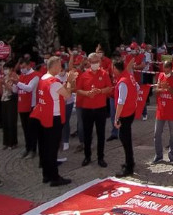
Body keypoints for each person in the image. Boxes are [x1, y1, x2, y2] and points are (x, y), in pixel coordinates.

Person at [31, 56, 76, 187]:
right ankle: (55, 177)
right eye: (59, 65)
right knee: (52, 148)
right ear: (54, 66)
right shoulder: (54, 82)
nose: (61, 67)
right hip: (53, 117)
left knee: (45, 147)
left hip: (44, 116)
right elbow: (67, 95)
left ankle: (46, 175)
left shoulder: (43, 79)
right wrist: (69, 81)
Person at [76, 53, 112, 168]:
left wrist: (100, 91)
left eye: (97, 62)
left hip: (100, 108)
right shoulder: (84, 75)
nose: (95, 64)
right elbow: (78, 90)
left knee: (101, 134)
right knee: (87, 134)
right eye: (93, 62)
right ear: (89, 62)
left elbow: (109, 88)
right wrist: (87, 93)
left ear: (99, 62)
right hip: (87, 109)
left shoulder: (104, 74)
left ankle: (100, 157)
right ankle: (87, 156)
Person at [112, 59, 139, 177]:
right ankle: (130, 161)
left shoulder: (123, 81)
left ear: (115, 69)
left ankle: (129, 167)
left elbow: (121, 102)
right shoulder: (129, 76)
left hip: (125, 114)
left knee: (125, 140)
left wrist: (116, 118)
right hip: (130, 111)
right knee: (126, 139)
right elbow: (137, 88)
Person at [153, 61, 173, 164]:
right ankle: (158, 155)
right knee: (157, 133)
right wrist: (161, 89)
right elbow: (156, 90)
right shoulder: (160, 76)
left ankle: (171, 155)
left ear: (171, 68)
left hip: (171, 109)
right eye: (164, 68)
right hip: (161, 109)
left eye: (166, 68)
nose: (165, 70)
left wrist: (168, 88)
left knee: (172, 133)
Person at [16, 59, 40, 159]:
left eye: (24, 67)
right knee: (25, 129)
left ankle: (33, 149)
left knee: (32, 129)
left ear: (29, 66)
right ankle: (27, 147)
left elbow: (29, 88)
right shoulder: (22, 76)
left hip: (31, 106)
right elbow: (16, 90)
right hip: (22, 106)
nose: (22, 69)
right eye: (21, 68)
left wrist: (17, 82)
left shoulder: (35, 75)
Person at [0, 62, 19, 150]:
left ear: (11, 69)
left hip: (11, 100)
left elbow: (14, 90)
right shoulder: (3, 77)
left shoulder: (14, 77)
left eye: (6, 69)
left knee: (11, 122)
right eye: (4, 69)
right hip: (4, 100)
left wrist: (4, 83)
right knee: (5, 122)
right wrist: (0, 84)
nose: (5, 70)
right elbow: (1, 92)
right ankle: (6, 142)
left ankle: (13, 142)